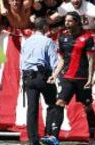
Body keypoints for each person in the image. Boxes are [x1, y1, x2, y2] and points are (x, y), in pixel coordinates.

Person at [43, 11, 95, 145]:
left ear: (77, 22)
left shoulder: (87, 38)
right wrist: (54, 75)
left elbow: (91, 60)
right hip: (67, 77)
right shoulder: (62, 38)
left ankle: (92, 137)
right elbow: (62, 59)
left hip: (82, 79)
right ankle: (54, 137)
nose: (66, 23)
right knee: (59, 103)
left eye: (70, 21)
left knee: (88, 107)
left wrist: (90, 78)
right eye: (65, 21)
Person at [20, 17, 62, 145]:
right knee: (53, 104)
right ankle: (49, 134)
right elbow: (54, 62)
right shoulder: (48, 41)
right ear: (44, 27)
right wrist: (56, 75)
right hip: (42, 76)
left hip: (28, 76)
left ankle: (33, 140)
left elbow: (22, 62)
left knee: (32, 109)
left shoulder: (26, 41)